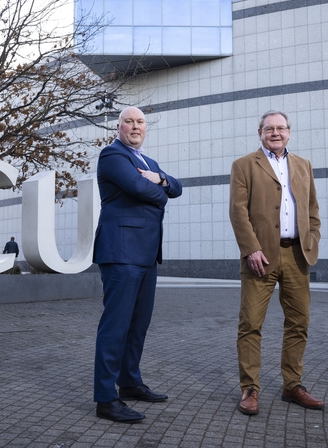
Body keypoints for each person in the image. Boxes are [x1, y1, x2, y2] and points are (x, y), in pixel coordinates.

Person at [92, 106, 182, 423]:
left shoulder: (150, 163)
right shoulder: (112, 155)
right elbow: (148, 192)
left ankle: (129, 383)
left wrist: (160, 179)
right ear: (118, 127)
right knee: (115, 328)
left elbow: (177, 186)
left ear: (146, 128)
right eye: (128, 121)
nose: (135, 126)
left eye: (140, 122)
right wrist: (161, 189)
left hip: (146, 255)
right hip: (121, 252)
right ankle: (106, 399)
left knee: (137, 326)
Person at [229, 110, 322, 416]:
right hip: (261, 257)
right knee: (251, 324)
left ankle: (292, 385)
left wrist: (312, 241)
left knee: (299, 323)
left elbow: (312, 210)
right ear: (260, 133)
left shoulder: (303, 165)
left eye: (281, 128)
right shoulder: (244, 165)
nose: (276, 133)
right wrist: (251, 249)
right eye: (269, 128)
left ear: (289, 132)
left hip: (297, 255)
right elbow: (238, 212)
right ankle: (250, 388)